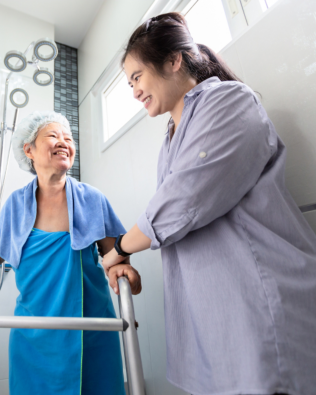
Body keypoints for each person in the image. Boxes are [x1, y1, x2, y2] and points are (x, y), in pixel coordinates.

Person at [103, 12, 316, 395]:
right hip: (216, 317)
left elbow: (185, 198)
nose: (133, 90)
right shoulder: (170, 138)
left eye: (136, 77)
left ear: (173, 61)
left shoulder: (229, 100)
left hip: (261, 303)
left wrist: (118, 249)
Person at [0, 111, 141, 395]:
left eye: (68, 138)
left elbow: (116, 258)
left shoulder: (92, 199)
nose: (64, 142)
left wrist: (124, 272)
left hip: (92, 331)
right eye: (53, 135)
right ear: (29, 150)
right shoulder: (16, 203)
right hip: (34, 332)